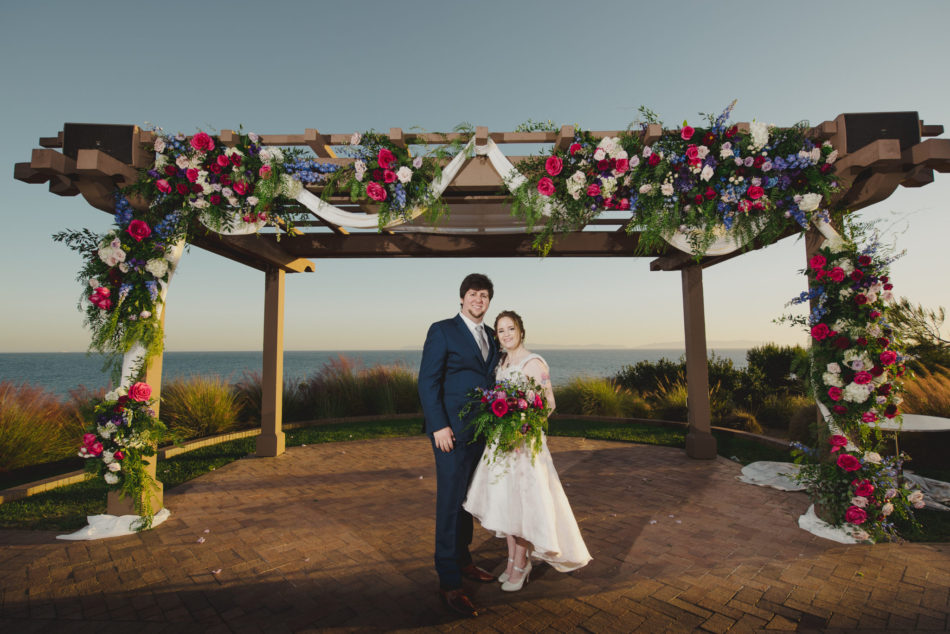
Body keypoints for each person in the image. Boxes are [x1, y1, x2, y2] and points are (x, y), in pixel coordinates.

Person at [463, 310, 592, 592]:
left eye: (511, 329)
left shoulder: (534, 362)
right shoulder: (501, 362)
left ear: (521, 331)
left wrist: (522, 427)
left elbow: (548, 404)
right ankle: (512, 561)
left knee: (522, 507)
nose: (506, 334)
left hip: (524, 447)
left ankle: (521, 566)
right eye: (501, 330)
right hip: (502, 444)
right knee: (507, 506)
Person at [418, 273, 500, 618]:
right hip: (450, 433)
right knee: (450, 505)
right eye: (472, 294)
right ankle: (450, 582)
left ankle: (464, 561)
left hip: (483, 433)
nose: (478, 299)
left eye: (483, 295)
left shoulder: (493, 336)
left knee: (469, 501)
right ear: (462, 298)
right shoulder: (442, 330)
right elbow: (427, 380)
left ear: (488, 301)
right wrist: (439, 426)